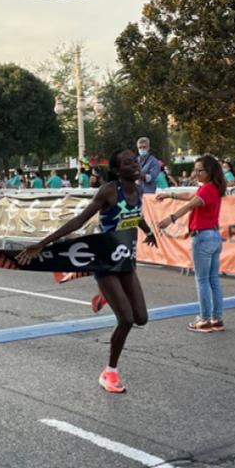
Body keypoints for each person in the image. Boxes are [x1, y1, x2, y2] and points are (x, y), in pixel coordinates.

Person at [18, 150, 158, 393]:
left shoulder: (139, 190)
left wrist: (148, 231)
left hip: (125, 261)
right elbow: (79, 221)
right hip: (104, 261)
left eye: (136, 161)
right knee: (125, 319)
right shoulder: (109, 191)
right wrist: (44, 243)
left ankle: (106, 295)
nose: (135, 165)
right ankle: (110, 373)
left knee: (141, 318)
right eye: (128, 163)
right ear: (116, 170)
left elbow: (135, 216)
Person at [157, 155, 226, 332]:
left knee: (202, 280)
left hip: (203, 237)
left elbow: (190, 204)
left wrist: (169, 218)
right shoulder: (214, 188)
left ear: (209, 171)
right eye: (195, 170)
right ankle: (216, 319)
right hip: (214, 237)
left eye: (199, 170)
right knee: (213, 280)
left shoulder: (206, 190)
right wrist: (170, 194)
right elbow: (190, 196)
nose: (196, 173)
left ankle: (204, 320)